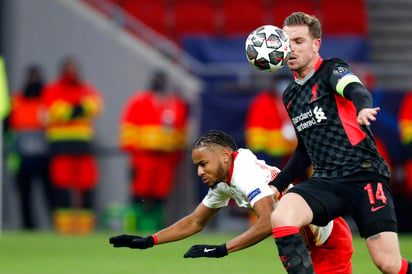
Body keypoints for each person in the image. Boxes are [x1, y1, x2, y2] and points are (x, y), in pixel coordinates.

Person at [268, 12, 412, 273]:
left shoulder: (331, 69)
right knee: (282, 216)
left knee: (389, 265)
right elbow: (304, 151)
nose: (291, 49)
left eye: (298, 41)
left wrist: (363, 108)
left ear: (316, 44)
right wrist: (276, 185)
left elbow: (355, 88)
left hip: (363, 175)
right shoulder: (290, 95)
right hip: (325, 181)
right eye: (286, 43)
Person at [110, 130, 354, 273]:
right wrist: (150, 240)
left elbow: (269, 220)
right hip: (306, 243)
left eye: (203, 164)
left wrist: (222, 249)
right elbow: (195, 222)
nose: (199, 172)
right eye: (197, 166)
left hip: (327, 242)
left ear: (225, 156)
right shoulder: (225, 179)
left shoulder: (244, 174)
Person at [119, 69, 188, 231]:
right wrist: (134, 151)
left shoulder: (175, 104)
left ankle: (157, 228)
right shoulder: (138, 102)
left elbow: (181, 134)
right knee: (139, 193)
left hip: (166, 160)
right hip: (143, 157)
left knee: (160, 194)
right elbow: (128, 130)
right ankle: (134, 228)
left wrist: (176, 156)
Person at [43, 56, 104, 234]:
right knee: (61, 186)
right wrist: (79, 109)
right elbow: (55, 110)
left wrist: (71, 110)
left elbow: (96, 105)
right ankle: (64, 229)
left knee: (86, 184)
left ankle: (84, 229)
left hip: (82, 146)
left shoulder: (85, 88)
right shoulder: (53, 89)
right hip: (60, 146)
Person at [6, 65, 54, 229]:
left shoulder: (46, 101)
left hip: (44, 157)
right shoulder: (16, 101)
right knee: (24, 196)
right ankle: (28, 227)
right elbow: (8, 127)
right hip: (22, 157)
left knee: (50, 195)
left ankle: (54, 227)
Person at [245, 73, 296, 168]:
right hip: (264, 151)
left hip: (286, 151)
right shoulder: (263, 101)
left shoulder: (293, 101)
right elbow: (256, 130)